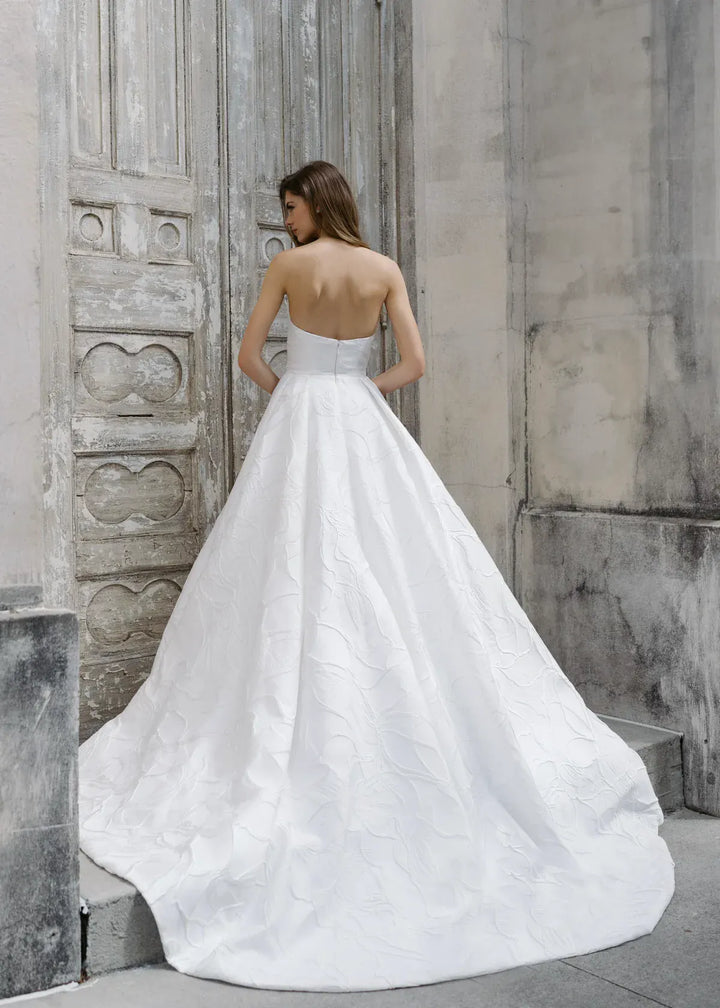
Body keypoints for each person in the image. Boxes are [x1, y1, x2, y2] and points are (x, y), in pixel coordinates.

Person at [78, 160, 675, 993]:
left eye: (288, 207)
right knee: (391, 554)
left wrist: (298, 390)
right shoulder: (384, 269)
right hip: (360, 416)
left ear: (312, 205)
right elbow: (415, 364)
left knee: (288, 557)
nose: (283, 221)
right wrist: (357, 389)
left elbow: (251, 356)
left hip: (303, 419)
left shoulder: (291, 266)